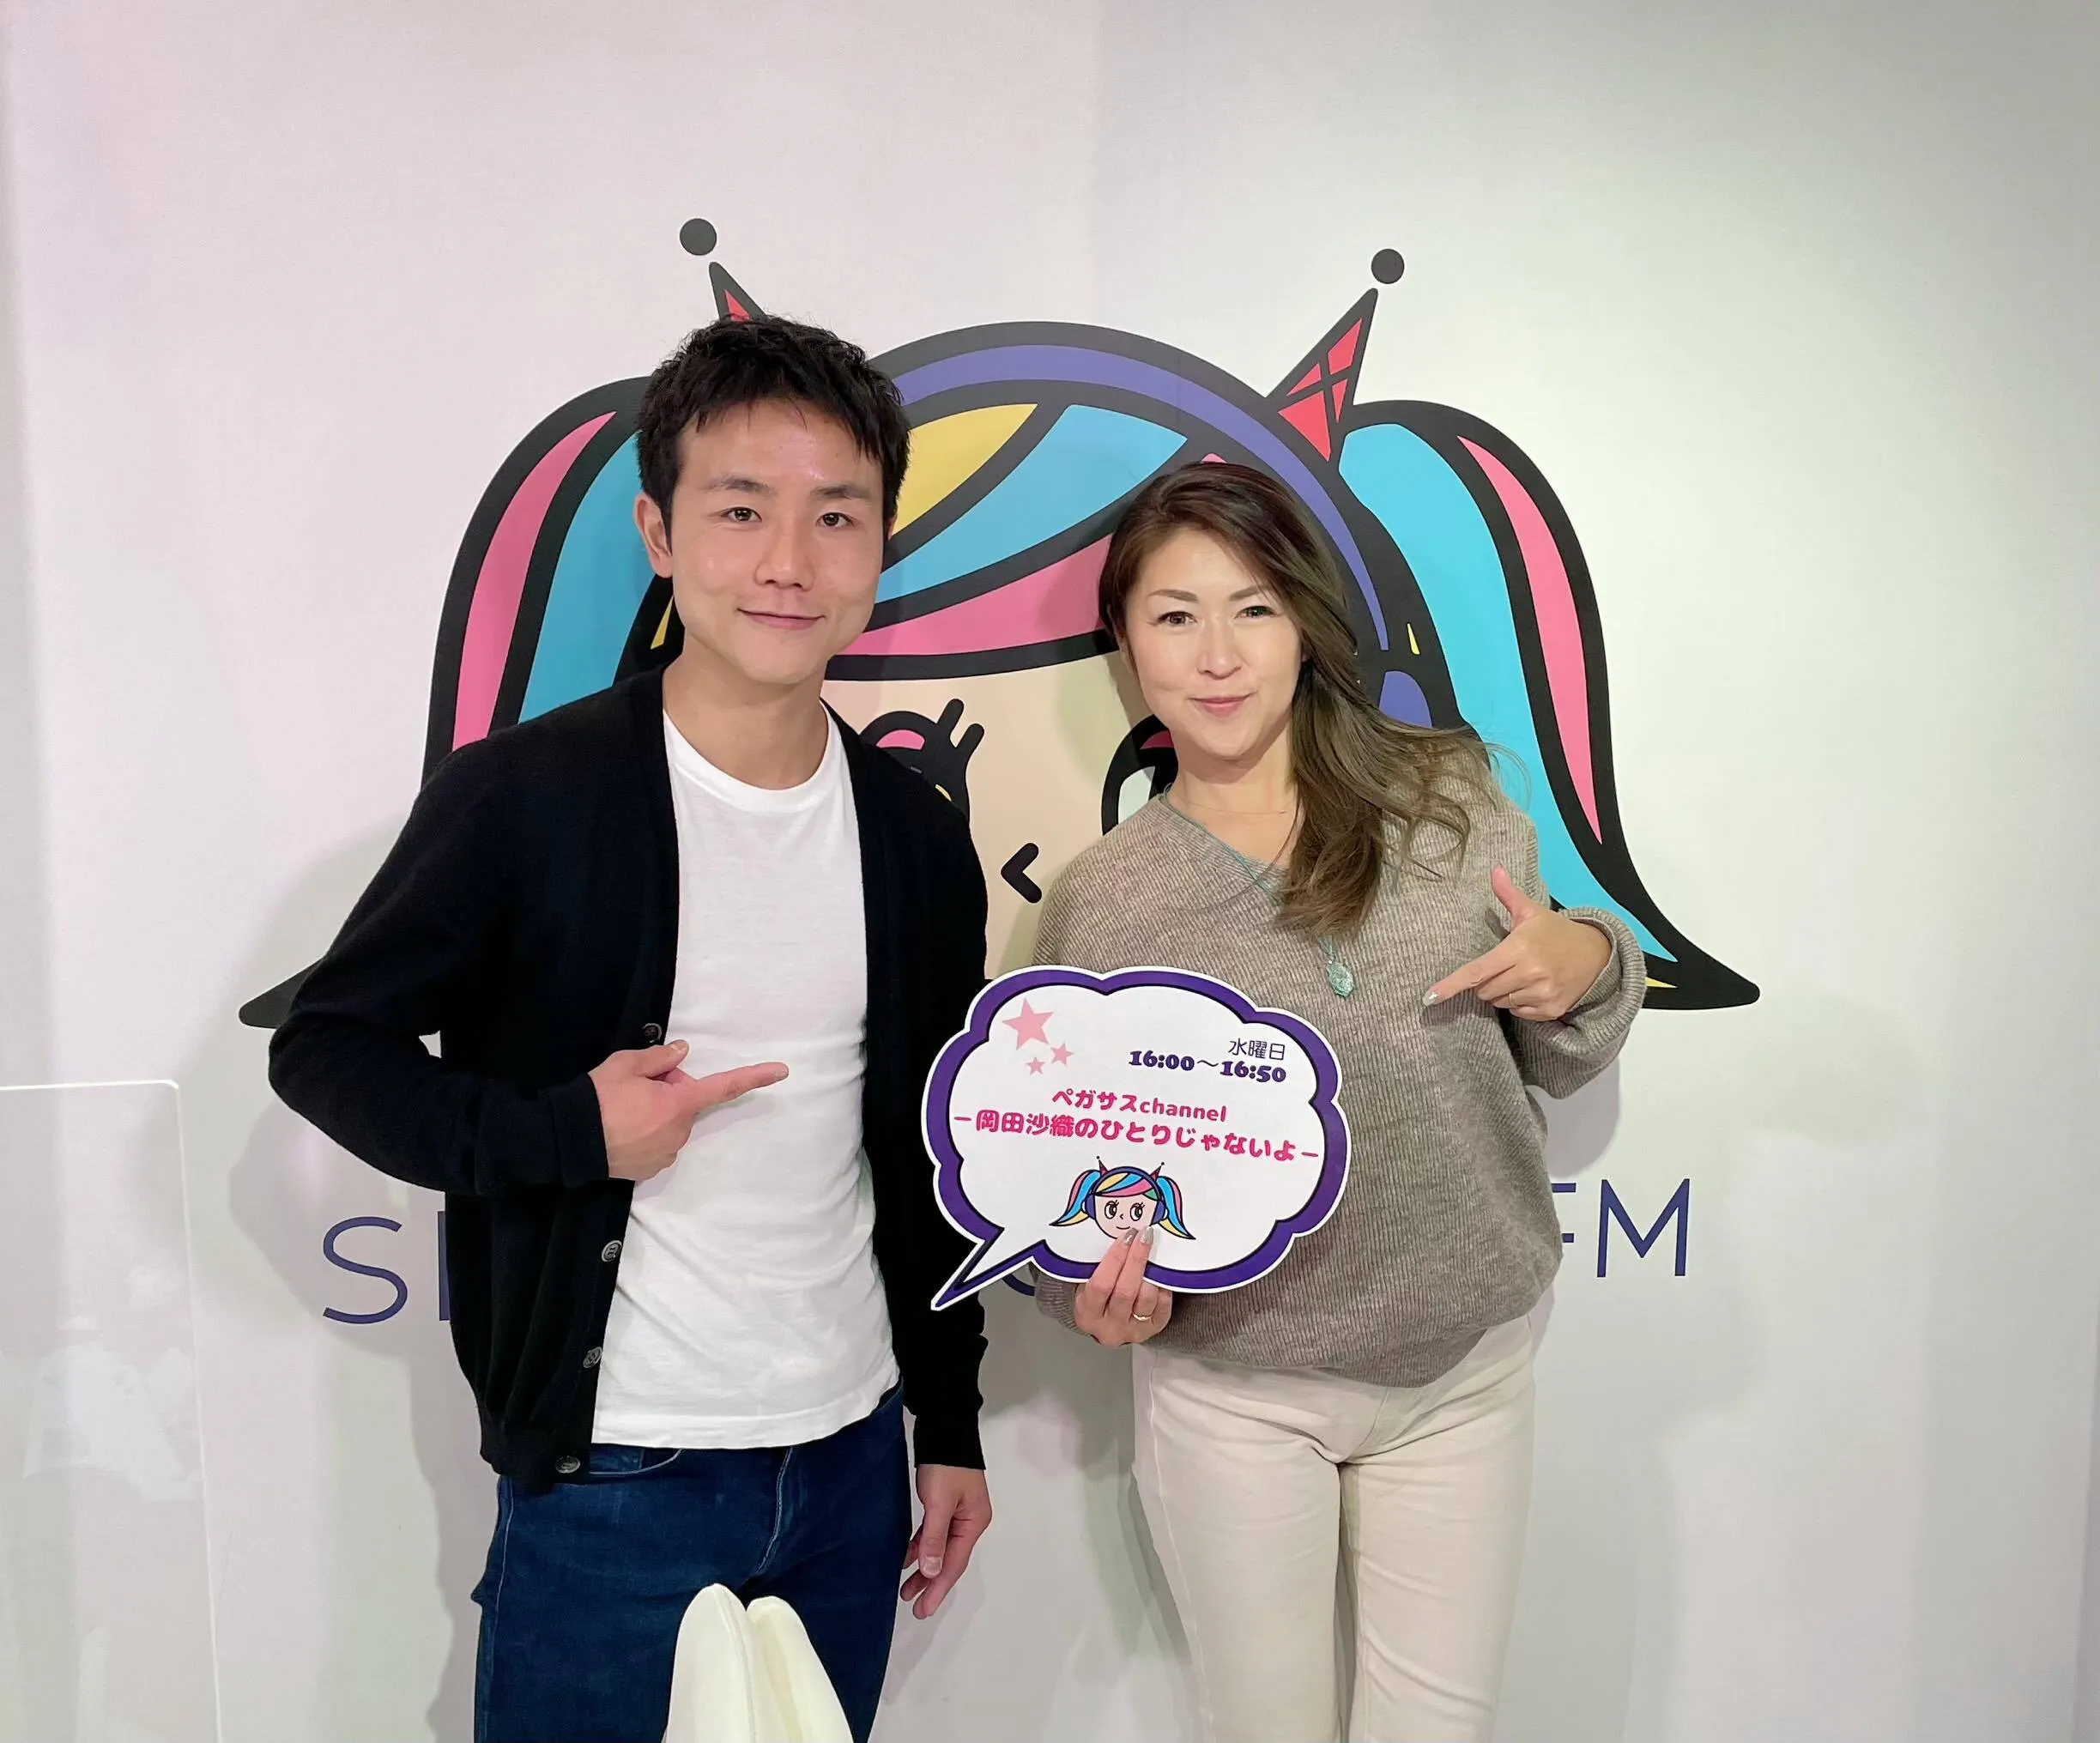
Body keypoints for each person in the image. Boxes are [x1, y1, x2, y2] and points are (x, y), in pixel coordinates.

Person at [269, 314, 994, 1743]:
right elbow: (325, 1046)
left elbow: (926, 1157)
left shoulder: (915, 835)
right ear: (660, 531)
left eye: (835, 515)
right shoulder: (522, 797)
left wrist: (949, 1420)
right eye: (740, 509)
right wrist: (569, 1132)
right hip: (616, 1471)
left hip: (849, 1462)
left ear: (879, 546)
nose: (787, 561)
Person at [1030, 462, 1644, 1743]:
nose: (1217, 656)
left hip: (1463, 1376)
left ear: (1306, 622)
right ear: (1124, 640)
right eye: (1175, 614)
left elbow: (1561, 1050)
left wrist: (1589, 955)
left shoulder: (1448, 801)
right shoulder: (1104, 901)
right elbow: (1055, 1182)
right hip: (1235, 1389)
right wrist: (1082, 1281)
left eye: (1253, 608)